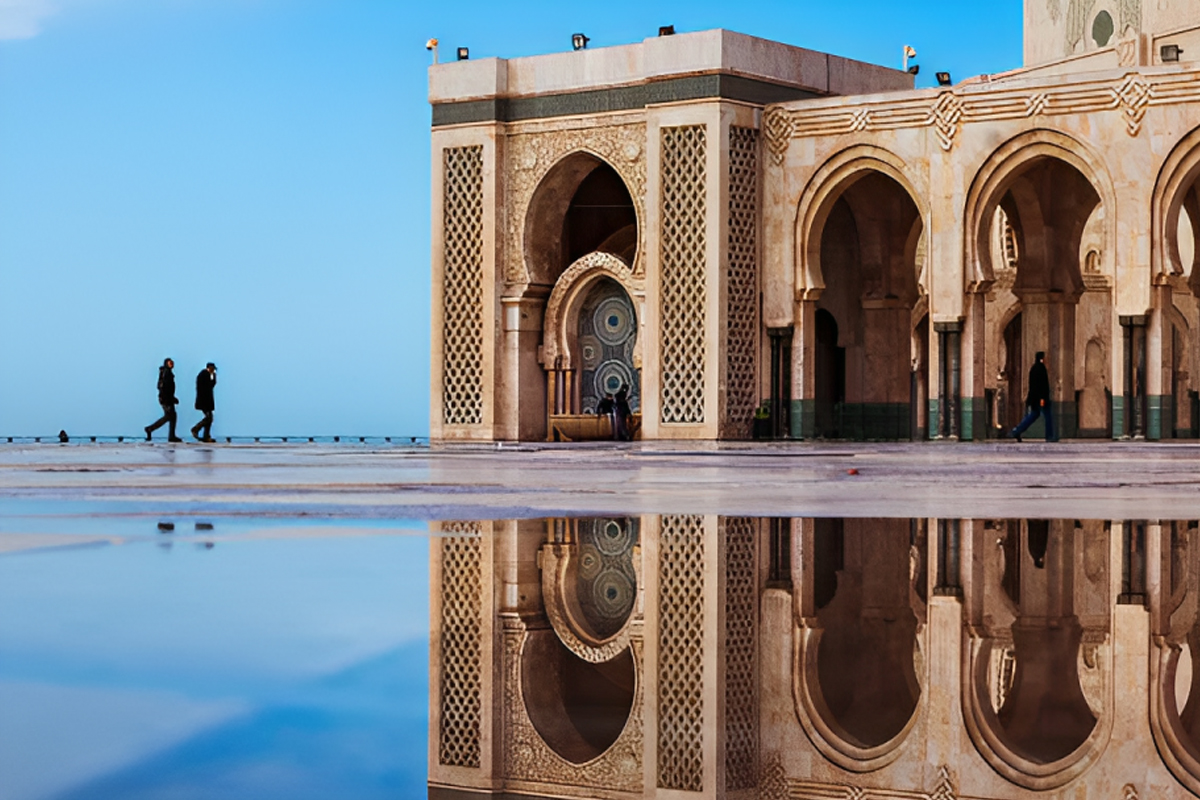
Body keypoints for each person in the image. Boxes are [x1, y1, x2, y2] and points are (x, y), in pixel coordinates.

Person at [1009, 351, 1054, 442]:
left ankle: (1017, 431)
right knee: (1047, 415)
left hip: (1034, 398)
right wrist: (1043, 398)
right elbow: (1042, 386)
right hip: (1041, 398)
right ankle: (1050, 436)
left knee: (1034, 414)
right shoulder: (1041, 369)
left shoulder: (1034, 368)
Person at [145, 358, 182, 442]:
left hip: (168, 398)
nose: (172, 364)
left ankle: (171, 435)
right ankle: (150, 429)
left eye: (172, 363)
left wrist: (173, 398)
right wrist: (169, 398)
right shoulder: (166, 373)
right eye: (170, 363)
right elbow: (163, 387)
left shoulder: (168, 373)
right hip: (165, 398)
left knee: (172, 416)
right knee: (169, 416)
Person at [191, 362, 218, 443]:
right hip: (204, 400)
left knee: (209, 418)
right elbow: (204, 387)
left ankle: (206, 435)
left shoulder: (210, 375)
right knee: (209, 417)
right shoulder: (203, 374)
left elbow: (212, 385)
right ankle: (196, 429)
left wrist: (213, 377)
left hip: (207, 400)